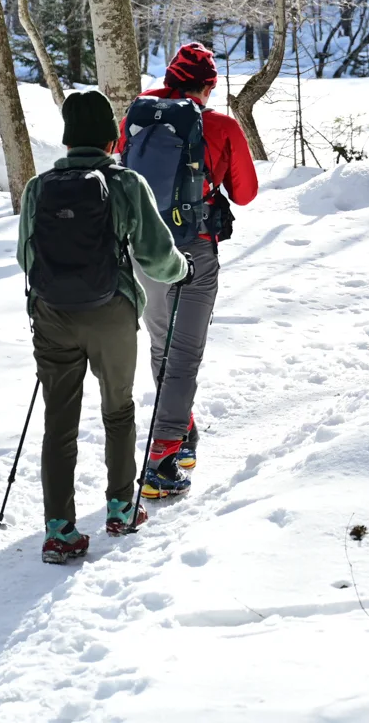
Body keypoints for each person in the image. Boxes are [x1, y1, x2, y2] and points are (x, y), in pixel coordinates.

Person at [17, 90, 190, 564]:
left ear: (69, 137)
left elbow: (24, 258)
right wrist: (183, 270)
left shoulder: (38, 187)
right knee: (118, 410)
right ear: (110, 134)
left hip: (52, 315)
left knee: (59, 421)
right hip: (111, 312)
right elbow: (156, 256)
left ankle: (59, 530)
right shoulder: (126, 183)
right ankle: (120, 507)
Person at [121, 42, 258, 501]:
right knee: (185, 355)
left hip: (144, 249)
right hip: (194, 250)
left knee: (164, 347)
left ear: (171, 77)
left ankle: (182, 432)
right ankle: (161, 459)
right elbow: (246, 193)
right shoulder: (218, 125)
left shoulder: (138, 118)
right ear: (209, 86)